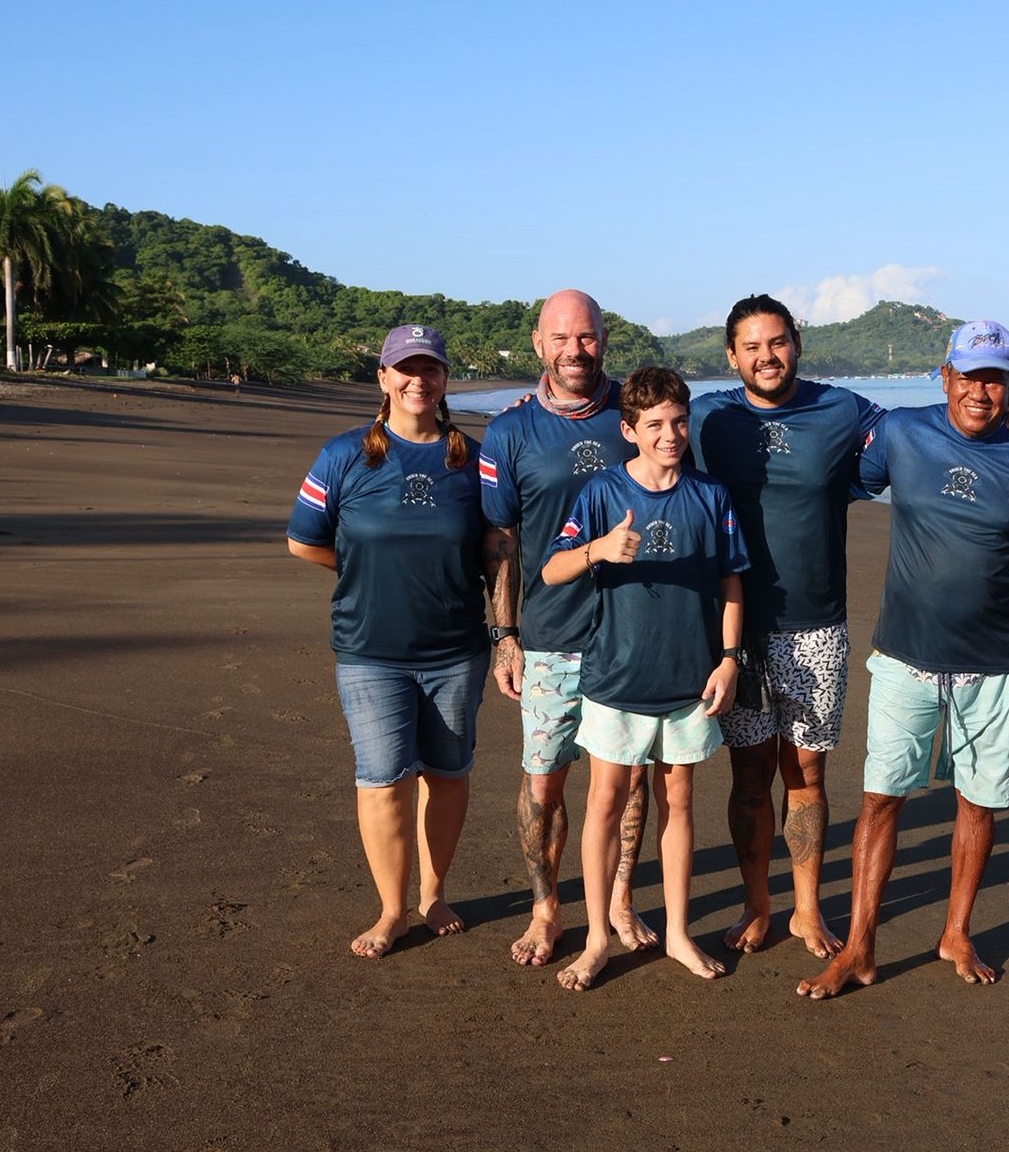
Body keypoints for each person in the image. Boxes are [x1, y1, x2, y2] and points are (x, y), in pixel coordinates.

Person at [798, 320, 1009, 999]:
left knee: (978, 805)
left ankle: (956, 931)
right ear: (944, 374)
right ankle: (860, 949)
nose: (981, 390)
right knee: (880, 800)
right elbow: (836, 482)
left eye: (997, 377)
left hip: (991, 668)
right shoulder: (901, 435)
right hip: (905, 660)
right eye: (971, 375)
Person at [687, 294, 886, 958]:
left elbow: (921, 433)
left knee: (806, 773)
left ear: (796, 342)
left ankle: (806, 909)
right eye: (751, 346)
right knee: (748, 774)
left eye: (777, 342)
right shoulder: (707, 416)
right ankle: (756, 903)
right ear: (730, 356)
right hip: (735, 630)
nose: (766, 356)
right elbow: (629, 423)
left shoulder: (841, 409)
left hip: (816, 626)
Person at [541, 366, 749, 990]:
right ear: (628, 429)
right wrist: (597, 551)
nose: (670, 435)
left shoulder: (711, 495)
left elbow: (731, 580)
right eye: (654, 424)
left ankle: (679, 932)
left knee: (678, 802)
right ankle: (599, 936)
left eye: (679, 422)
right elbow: (552, 571)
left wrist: (730, 658)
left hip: (689, 680)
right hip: (616, 677)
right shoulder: (602, 493)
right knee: (604, 801)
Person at [285, 323, 489, 959]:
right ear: (382, 377)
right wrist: (370, 573)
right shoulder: (345, 455)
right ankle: (392, 909)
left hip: (456, 649)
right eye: (405, 368)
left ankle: (434, 892)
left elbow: (498, 548)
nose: (417, 380)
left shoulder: (473, 459)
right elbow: (304, 540)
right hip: (370, 649)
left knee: (447, 772)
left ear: (445, 378)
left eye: (430, 369)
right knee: (382, 778)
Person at [478, 289, 658, 967]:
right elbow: (502, 541)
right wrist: (504, 637)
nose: (574, 350)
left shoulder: (633, 415)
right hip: (550, 636)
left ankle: (618, 900)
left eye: (585, 337)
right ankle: (546, 909)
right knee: (543, 780)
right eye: (561, 338)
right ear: (538, 344)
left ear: (604, 339)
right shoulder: (510, 431)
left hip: (631, 635)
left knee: (629, 780)